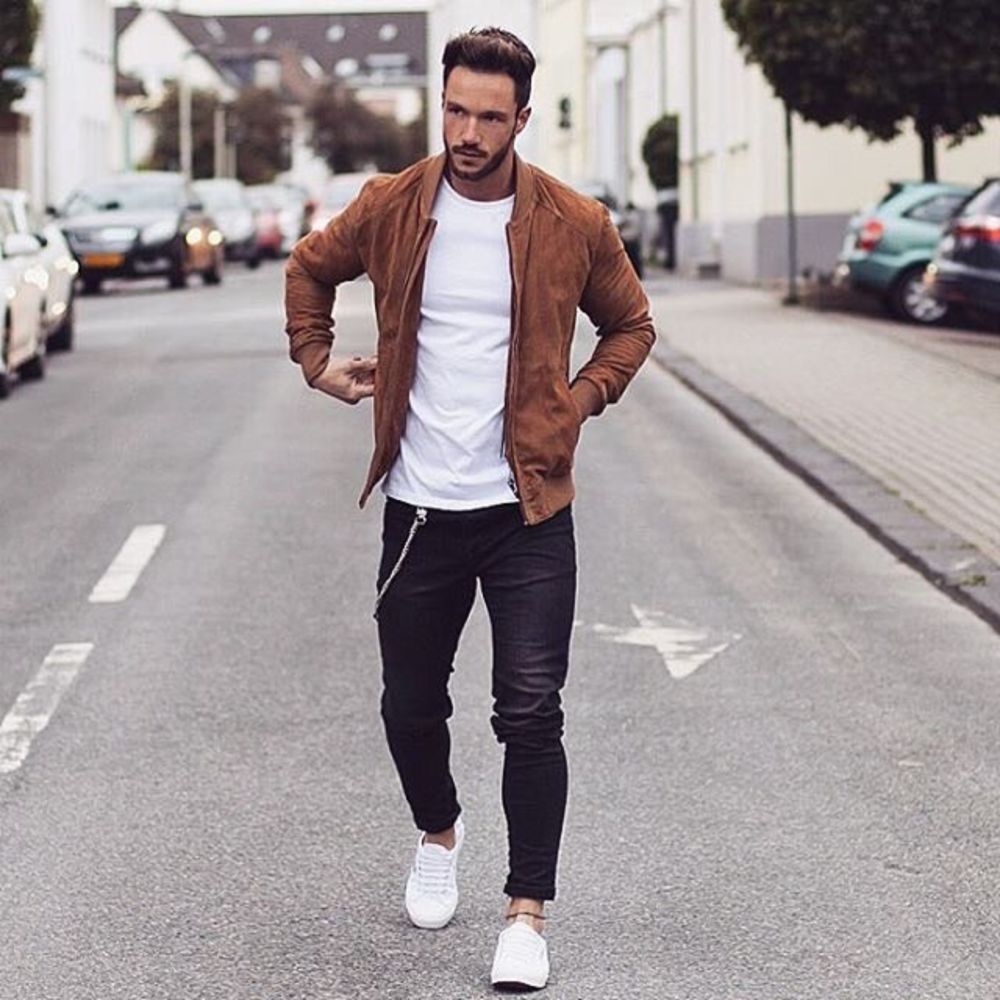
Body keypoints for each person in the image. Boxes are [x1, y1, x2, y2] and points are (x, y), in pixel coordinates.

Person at [284, 26, 654, 992]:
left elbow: (631, 325)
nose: (468, 133)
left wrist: (580, 399)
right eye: (455, 110)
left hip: (527, 510)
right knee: (410, 703)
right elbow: (309, 266)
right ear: (440, 104)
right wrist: (316, 361)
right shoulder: (393, 204)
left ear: (521, 120)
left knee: (530, 712)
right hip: (419, 509)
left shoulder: (573, 221)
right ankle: (438, 833)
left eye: (490, 117)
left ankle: (526, 913)